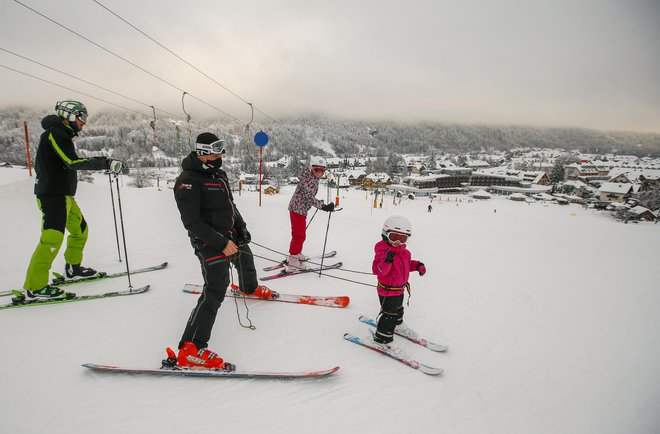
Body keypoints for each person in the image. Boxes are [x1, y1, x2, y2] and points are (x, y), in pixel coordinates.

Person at [169, 132, 272, 369]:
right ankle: (190, 348)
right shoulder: (188, 180)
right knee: (216, 287)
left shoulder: (218, 174)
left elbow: (230, 206)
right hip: (206, 240)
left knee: (245, 255)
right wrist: (222, 243)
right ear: (203, 152)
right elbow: (192, 223)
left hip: (227, 233)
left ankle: (249, 287)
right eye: (217, 149)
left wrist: (241, 228)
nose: (222, 153)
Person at [15, 100, 122, 303]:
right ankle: (35, 287)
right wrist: (104, 163)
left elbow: (69, 161)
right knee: (52, 239)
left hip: (64, 196)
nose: (84, 122)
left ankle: (73, 268)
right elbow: (71, 162)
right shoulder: (55, 133)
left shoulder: (62, 134)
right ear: (70, 116)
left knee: (80, 230)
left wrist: (103, 161)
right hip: (52, 195)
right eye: (82, 117)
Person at [370, 215, 426, 347]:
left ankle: (398, 324)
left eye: (403, 238)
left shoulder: (404, 253)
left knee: (398, 309)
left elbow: (406, 264)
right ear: (385, 234)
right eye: (394, 237)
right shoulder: (382, 251)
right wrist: (387, 260)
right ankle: (382, 339)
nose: (398, 242)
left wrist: (417, 265)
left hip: (399, 289)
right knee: (389, 315)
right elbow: (378, 270)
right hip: (387, 291)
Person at [285, 156, 335, 273]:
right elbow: (309, 197)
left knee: (299, 234)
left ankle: (296, 254)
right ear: (311, 168)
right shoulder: (310, 180)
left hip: (298, 209)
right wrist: (323, 206)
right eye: (317, 169)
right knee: (299, 235)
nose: (319, 173)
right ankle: (293, 261)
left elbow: (308, 196)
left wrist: (320, 203)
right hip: (298, 209)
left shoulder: (310, 177)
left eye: (322, 170)